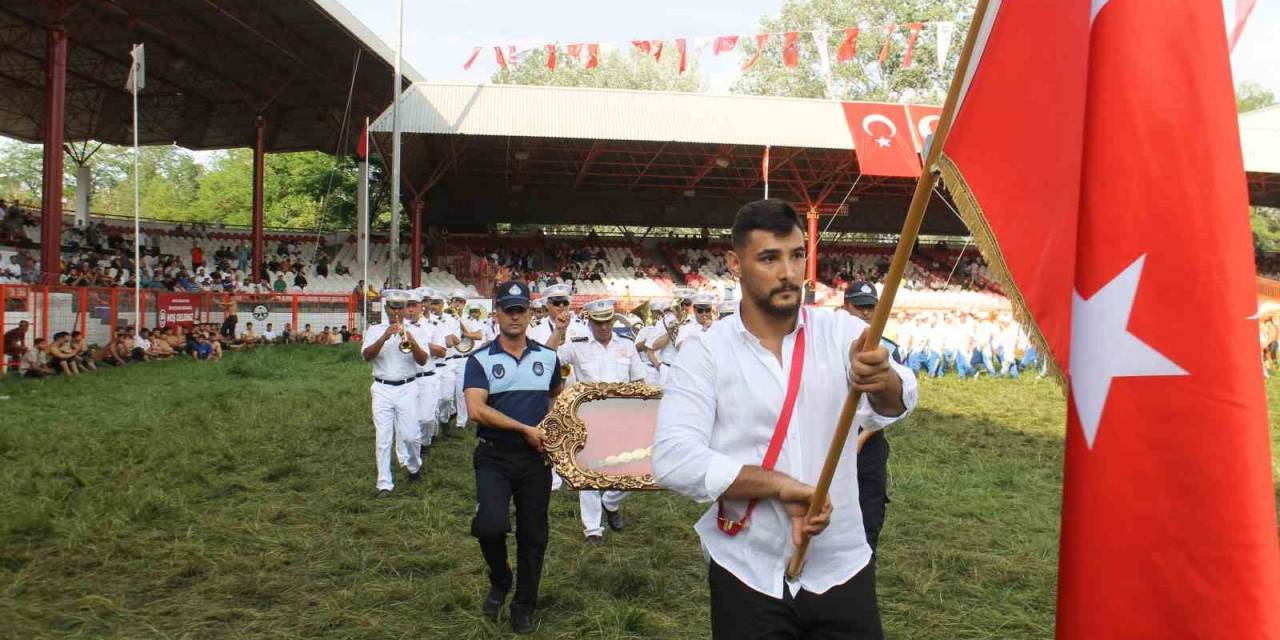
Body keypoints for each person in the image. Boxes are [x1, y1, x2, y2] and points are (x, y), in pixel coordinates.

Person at [653, 199, 917, 640]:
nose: (789, 273)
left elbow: (900, 400)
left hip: (841, 567)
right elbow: (673, 458)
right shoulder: (705, 351)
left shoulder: (842, 334)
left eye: (796, 256)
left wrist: (882, 377)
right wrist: (778, 486)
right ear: (734, 263)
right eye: (769, 258)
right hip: (747, 571)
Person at [463, 280, 564, 635]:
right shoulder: (479, 360)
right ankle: (500, 576)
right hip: (495, 456)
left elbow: (555, 399)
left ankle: (524, 605)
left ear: (530, 314)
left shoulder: (548, 358)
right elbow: (476, 410)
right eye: (509, 309)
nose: (515, 316)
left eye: (521, 310)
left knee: (534, 536)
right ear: (497, 315)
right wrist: (524, 428)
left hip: (535, 459)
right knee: (489, 525)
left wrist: (550, 434)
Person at [556, 298, 646, 545]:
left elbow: (638, 380)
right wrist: (558, 331)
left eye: (607, 321)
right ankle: (593, 529)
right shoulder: (578, 345)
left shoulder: (627, 346)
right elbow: (549, 359)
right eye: (598, 322)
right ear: (590, 321)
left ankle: (611, 502)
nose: (604, 327)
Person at [361, 289, 430, 498]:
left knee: (410, 436)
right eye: (393, 307)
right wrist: (384, 337)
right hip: (382, 388)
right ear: (386, 308)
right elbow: (366, 356)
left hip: (408, 387)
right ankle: (384, 484)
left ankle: (414, 466)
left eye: (400, 307)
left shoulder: (416, 330)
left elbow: (422, 360)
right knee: (383, 438)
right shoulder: (374, 330)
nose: (397, 311)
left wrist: (408, 338)